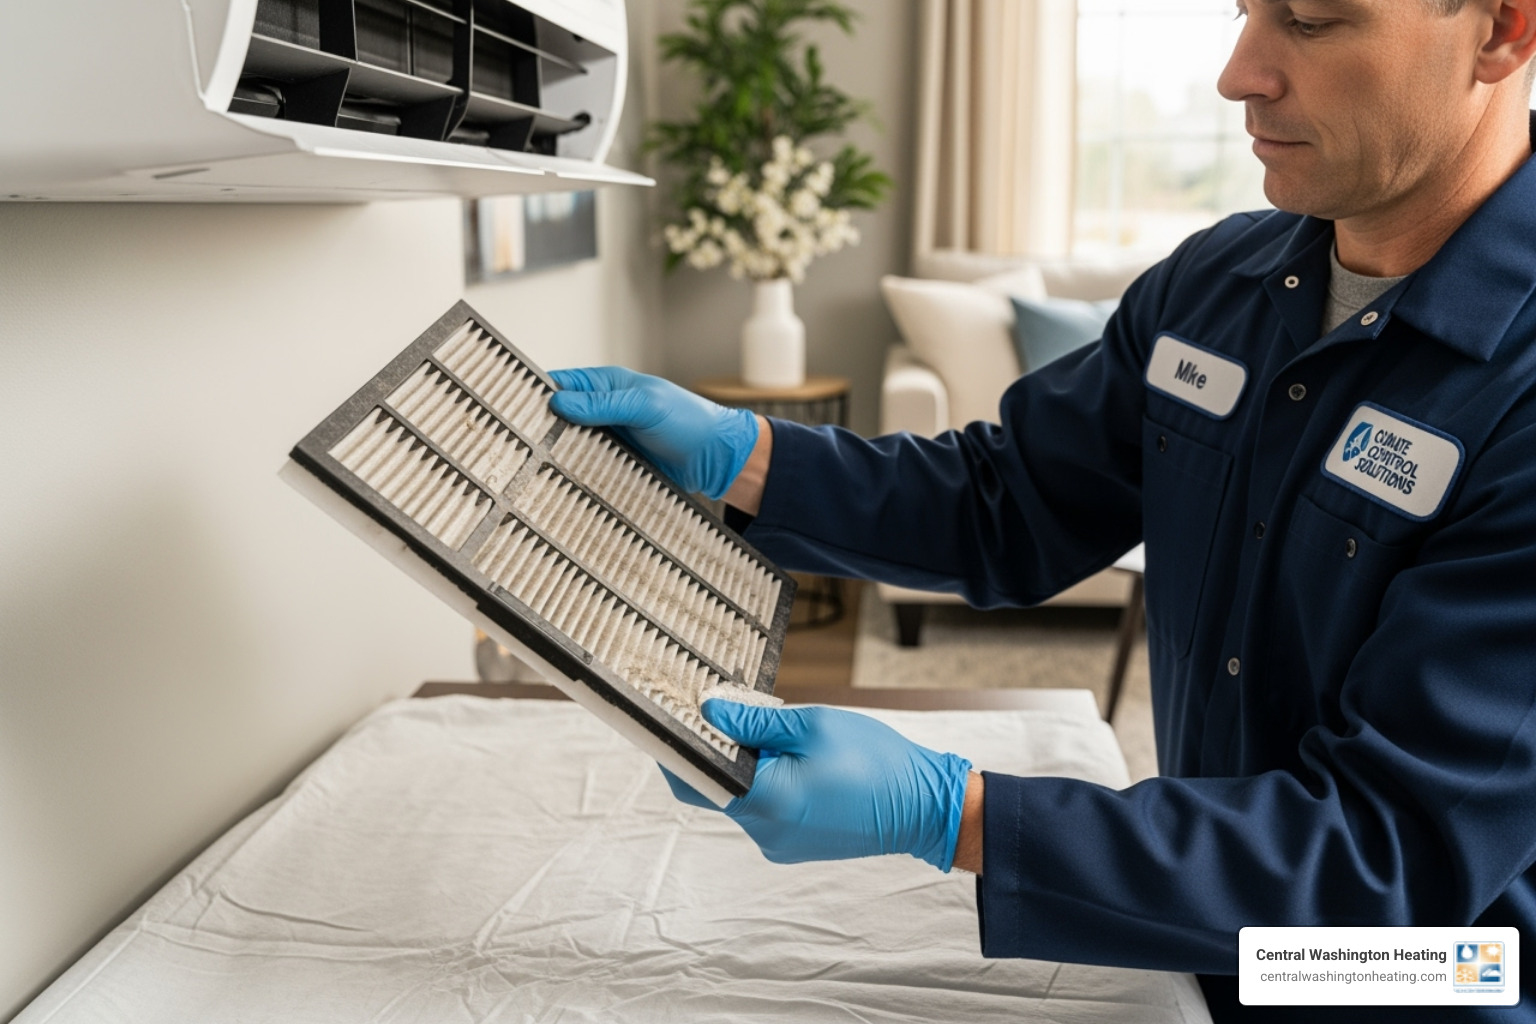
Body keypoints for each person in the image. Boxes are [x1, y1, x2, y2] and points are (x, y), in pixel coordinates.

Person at [548, 1, 1536, 1019]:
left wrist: (960, 815)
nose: (1239, 73)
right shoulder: (1219, 285)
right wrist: (746, 456)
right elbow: (1009, 501)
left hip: (1434, 980)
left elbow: (1389, 862)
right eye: (1245, 13)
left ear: (1502, 30)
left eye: (1315, 21)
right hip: (1209, 934)